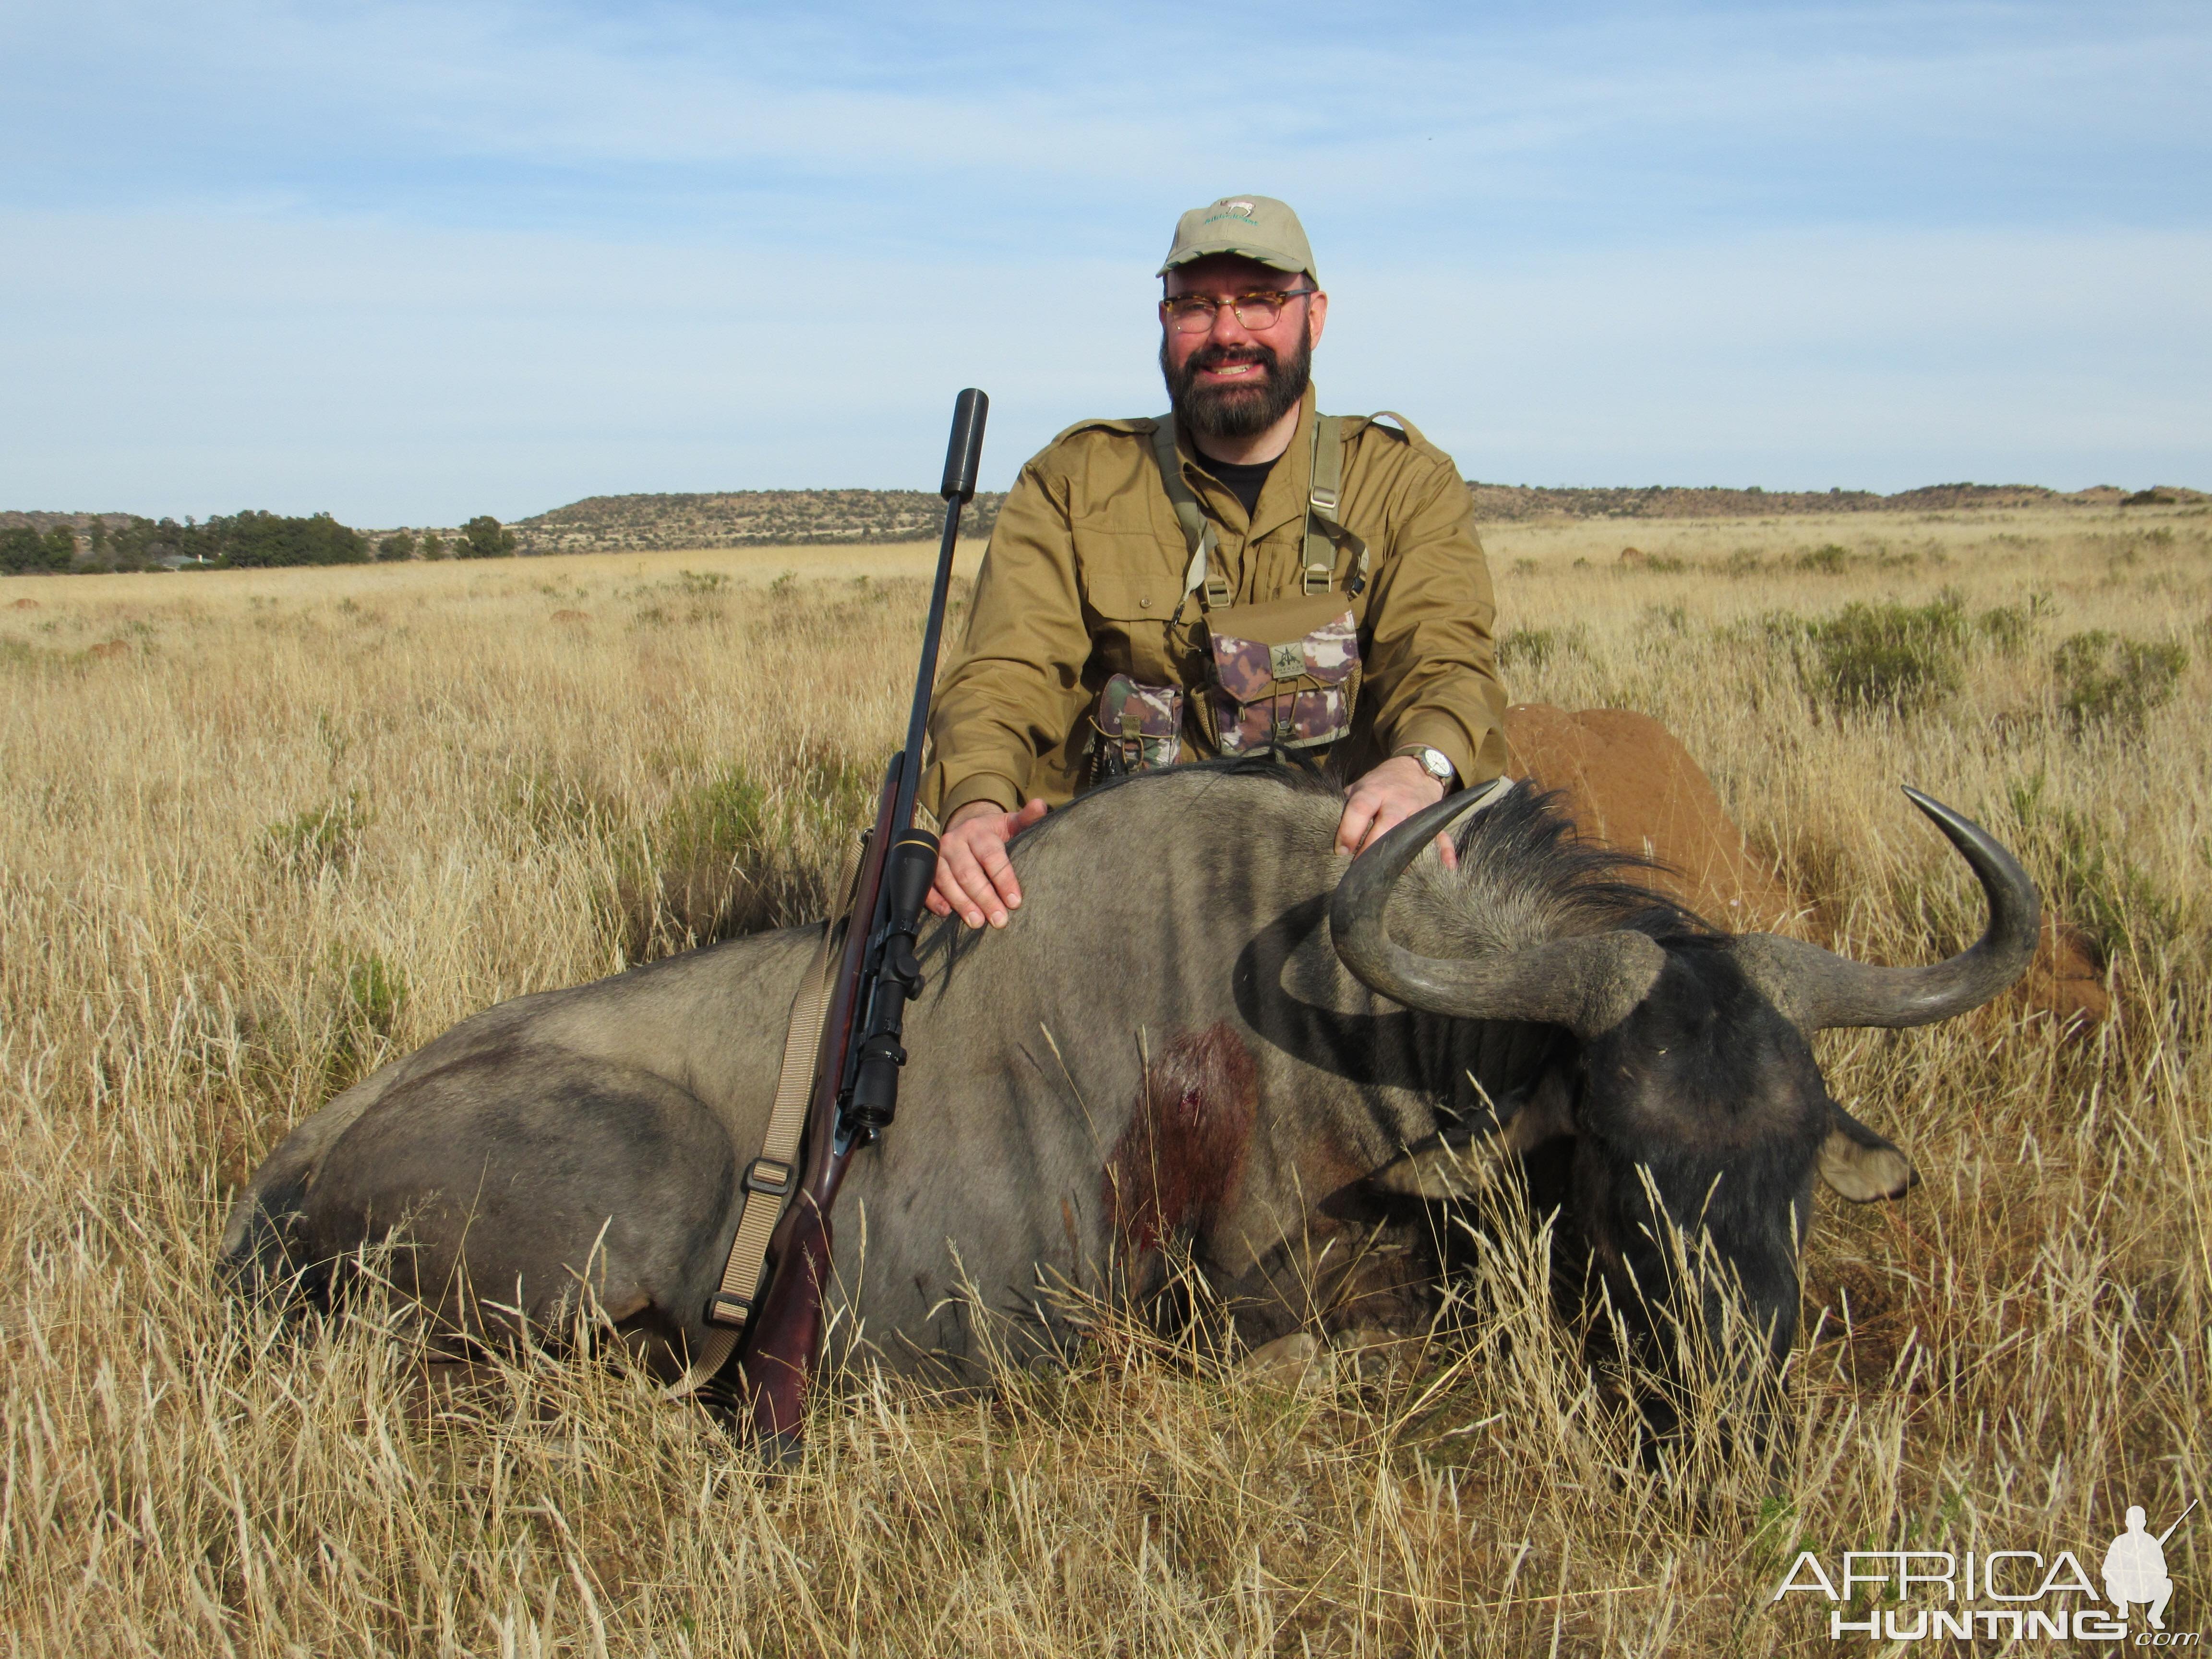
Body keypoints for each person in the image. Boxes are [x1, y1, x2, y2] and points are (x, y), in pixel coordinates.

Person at [921, 194, 1509, 929]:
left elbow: (1446, 659)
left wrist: (1419, 769)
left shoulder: (1404, 483)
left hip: (1330, 878)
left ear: (1315, 315)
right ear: (1164, 321)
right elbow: (1004, 675)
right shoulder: (1073, 482)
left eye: (1260, 301)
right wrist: (977, 806)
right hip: (1115, 890)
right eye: (1195, 305)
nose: (1227, 332)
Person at [2103, 1506, 2175, 1630]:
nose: (2135, 1525)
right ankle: (2123, 1608)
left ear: (2144, 1523)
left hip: (2145, 1589)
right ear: (2126, 1522)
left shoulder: (2151, 1542)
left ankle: (2155, 1615)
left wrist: (2148, 1568)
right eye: (2132, 1521)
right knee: (2111, 1583)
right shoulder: (2119, 1542)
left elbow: (2163, 1571)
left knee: (2167, 1584)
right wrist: (2125, 1572)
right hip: (2123, 1590)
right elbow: (2106, 1570)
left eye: (2139, 1521)